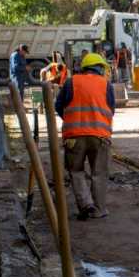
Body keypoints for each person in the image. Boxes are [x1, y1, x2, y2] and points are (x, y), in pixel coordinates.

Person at [55, 53, 115, 220]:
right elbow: (111, 109)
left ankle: (85, 203)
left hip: (74, 137)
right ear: (100, 68)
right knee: (99, 173)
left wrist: (72, 120)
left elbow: (58, 106)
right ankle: (99, 209)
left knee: (76, 171)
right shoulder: (106, 85)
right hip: (100, 137)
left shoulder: (70, 82)